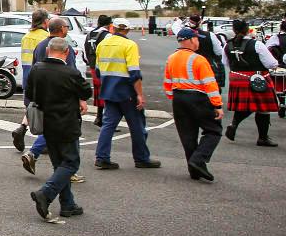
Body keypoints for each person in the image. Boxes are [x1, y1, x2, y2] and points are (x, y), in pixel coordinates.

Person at [28, 37, 92, 221]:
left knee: (59, 164)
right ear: (66, 52)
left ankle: (68, 204)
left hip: (46, 122)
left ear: (48, 50)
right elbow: (86, 92)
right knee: (71, 163)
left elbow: (30, 93)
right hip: (67, 122)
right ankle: (45, 193)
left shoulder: (36, 69)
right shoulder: (70, 73)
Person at [94, 18, 160, 170]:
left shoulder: (102, 44)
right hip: (126, 91)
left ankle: (102, 157)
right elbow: (134, 73)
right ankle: (141, 158)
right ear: (127, 30)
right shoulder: (130, 45)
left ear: (113, 28)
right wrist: (139, 95)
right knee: (137, 126)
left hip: (109, 90)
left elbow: (98, 70)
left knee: (108, 125)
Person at [163, 28, 223, 182]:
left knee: (187, 135)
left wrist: (173, 97)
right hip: (198, 98)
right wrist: (217, 105)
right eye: (196, 39)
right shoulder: (199, 59)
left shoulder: (171, 58)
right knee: (214, 130)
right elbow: (210, 84)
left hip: (178, 98)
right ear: (190, 40)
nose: (198, 42)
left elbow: (167, 82)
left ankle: (194, 170)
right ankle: (198, 160)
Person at [23, 18, 80, 177]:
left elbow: (34, 68)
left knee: (50, 129)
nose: (67, 29)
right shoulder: (64, 47)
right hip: (61, 97)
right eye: (66, 27)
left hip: (42, 96)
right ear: (61, 29)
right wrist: (79, 98)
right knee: (65, 133)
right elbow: (72, 73)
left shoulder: (41, 45)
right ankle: (66, 172)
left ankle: (35, 155)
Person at [223, 18, 279, 146]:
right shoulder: (257, 44)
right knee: (263, 108)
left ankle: (234, 124)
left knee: (246, 106)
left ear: (234, 30)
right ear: (248, 30)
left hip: (237, 79)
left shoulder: (227, 45)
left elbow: (225, 63)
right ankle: (262, 138)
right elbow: (271, 63)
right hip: (257, 78)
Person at [12, 9, 50, 152]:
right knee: (44, 109)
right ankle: (42, 143)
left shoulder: (26, 37)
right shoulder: (46, 37)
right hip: (40, 77)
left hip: (28, 77)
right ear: (45, 21)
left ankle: (22, 129)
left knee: (32, 107)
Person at [84, 15, 113, 127]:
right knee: (107, 91)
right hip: (103, 67)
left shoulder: (89, 34)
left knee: (98, 90)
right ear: (109, 24)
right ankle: (104, 119)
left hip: (93, 66)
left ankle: (99, 117)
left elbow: (85, 52)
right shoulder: (107, 35)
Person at [186, 15, 225, 92]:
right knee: (211, 90)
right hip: (208, 65)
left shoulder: (184, 35)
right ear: (200, 22)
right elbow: (218, 52)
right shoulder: (210, 35)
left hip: (189, 66)